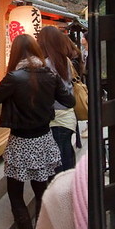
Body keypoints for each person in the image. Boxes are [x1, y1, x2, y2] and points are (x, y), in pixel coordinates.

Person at [0, 33, 74, 229]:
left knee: (15, 194)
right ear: (36, 50)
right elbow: (70, 101)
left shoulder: (13, 78)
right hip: (43, 139)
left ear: (15, 53)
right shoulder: (50, 75)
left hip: (20, 142)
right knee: (41, 190)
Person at [38, 25, 84, 171]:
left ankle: (63, 189)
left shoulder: (46, 64)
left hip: (56, 116)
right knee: (66, 152)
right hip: (68, 115)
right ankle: (71, 184)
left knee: (59, 159)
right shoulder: (64, 60)